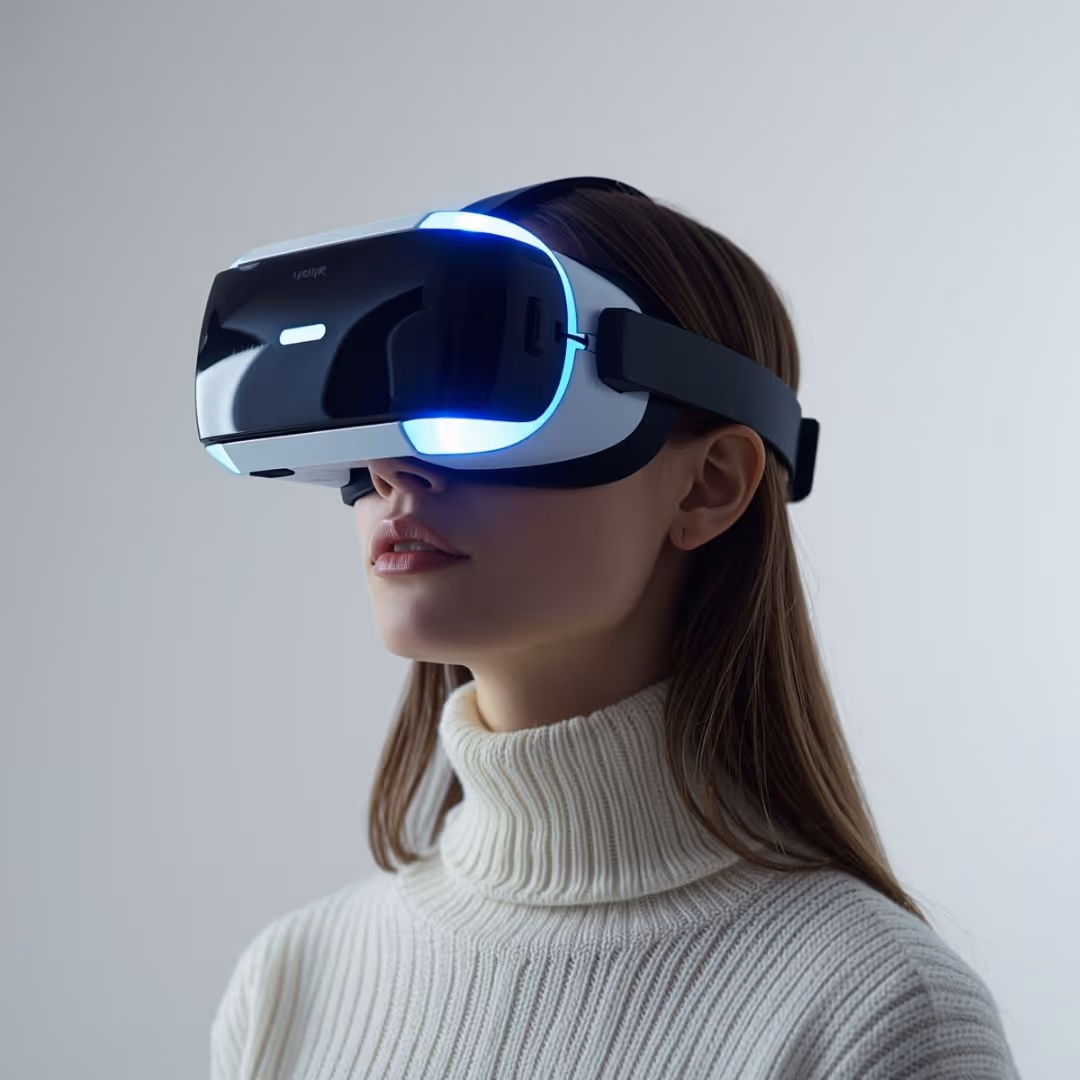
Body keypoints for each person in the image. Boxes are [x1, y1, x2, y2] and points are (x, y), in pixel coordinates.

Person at [209, 185, 1020, 1078]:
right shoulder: (290, 983)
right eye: (379, 405)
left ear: (710, 483)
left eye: (479, 382)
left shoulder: (876, 1013)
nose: (391, 467)